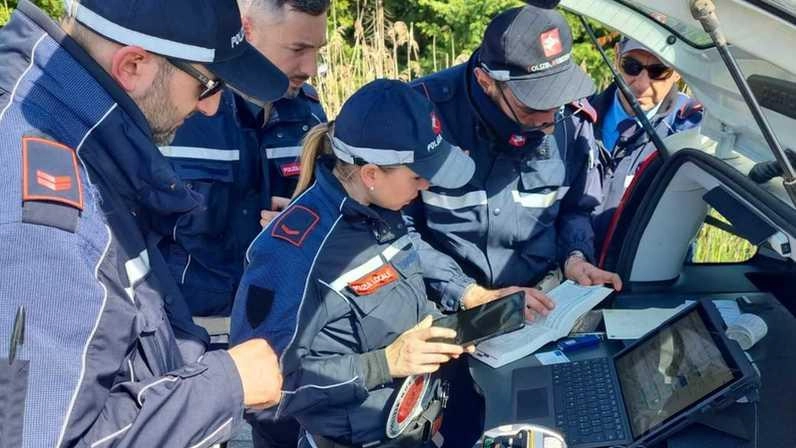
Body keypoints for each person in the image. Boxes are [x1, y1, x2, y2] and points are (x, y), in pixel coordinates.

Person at [0, 0, 287, 446]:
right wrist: (227, 385)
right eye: (207, 85)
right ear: (133, 66)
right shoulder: (47, 216)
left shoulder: (70, 134)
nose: (212, 109)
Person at [229, 79, 483, 448]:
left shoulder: (382, 208)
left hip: (413, 429)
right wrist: (384, 363)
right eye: (417, 175)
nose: (426, 185)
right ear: (371, 174)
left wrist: (462, 302)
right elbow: (265, 386)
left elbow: (406, 259)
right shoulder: (291, 254)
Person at [406, 5, 622, 316]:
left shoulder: (573, 122)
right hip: (448, 309)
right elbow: (398, 229)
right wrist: (467, 293)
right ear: (486, 81)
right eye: (533, 104)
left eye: (556, 98)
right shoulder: (421, 115)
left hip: (540, 305)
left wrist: (575, 257)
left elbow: (576, 209)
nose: (550, 119)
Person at [157, 0, 328, 321]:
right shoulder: (176, 112)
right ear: (245, 31)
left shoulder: (310, 115)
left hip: (281, 317)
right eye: (297, 49)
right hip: (187, 325)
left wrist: (305, 217)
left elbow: (328, 214)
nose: (311, 68)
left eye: (317, 49)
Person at [590, 38, 703, 251]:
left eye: (658, 71)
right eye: (631, 66)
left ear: (678, 71)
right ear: (616, 56)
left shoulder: (693, 132)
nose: (641, 84)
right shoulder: (578, 116)